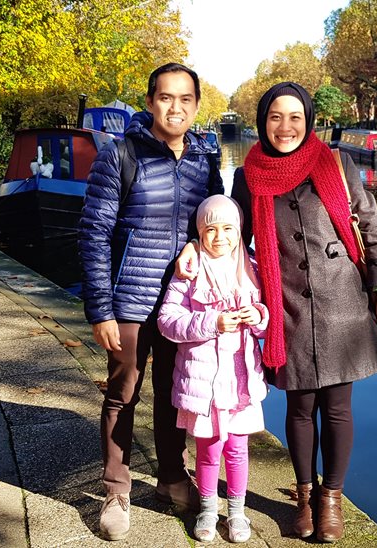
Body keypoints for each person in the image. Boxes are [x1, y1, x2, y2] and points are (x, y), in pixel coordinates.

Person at [177, 81, 377, 542]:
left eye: (295, 116)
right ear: (263, 122)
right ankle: (303, 496)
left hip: (343, 303)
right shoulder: (248, 174)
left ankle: (331, 500)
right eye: (276, 117)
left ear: (309, 120)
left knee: (337, 408)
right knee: (299, 408)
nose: (286, 126)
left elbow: (373, 229)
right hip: (287, 305)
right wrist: (192, 250)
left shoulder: (337, 162)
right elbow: (227, 236)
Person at [78, 62, 224, 541]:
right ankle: (117, 489)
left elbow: (217, 229)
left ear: (197, 106)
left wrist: (195, 247)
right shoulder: (120, 154)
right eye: (166, 97)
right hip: (130, 301)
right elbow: (94, 232)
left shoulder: (205, 161)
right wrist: (101, 308)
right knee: (123, 394)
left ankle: (170, 477)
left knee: (173, 394)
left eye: (185, 99)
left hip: (183, 305)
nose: (175, 107)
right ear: (150, 101)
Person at [158, 194, 269, 543]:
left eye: (228, 229)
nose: (219, 237)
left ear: (239, 231)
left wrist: (259, 317)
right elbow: (167, 321)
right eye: (210, 229)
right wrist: (212, 322)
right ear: (199, 233)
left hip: (240, 382)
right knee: (208, 450)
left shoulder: (251, 267)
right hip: (203, 383)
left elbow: (270, 321)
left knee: (237, 447)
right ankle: (207, 508)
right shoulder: (188, 271)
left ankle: (237, 512)